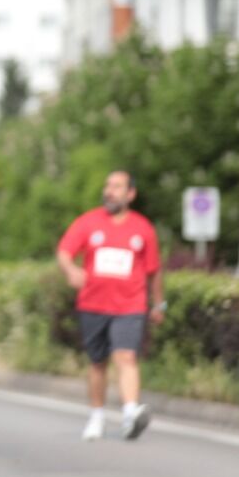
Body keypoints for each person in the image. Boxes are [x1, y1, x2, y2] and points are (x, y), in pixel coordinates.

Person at [57, 170, 164, 441]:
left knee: (126, 357)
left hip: (130, 305)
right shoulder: (88, 222)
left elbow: (153, 270)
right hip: (93, 304)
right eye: (108, 186)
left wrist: (158, 303)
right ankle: (97, 416)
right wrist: (70, 270)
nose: (109, 191)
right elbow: (64, 252)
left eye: (117, 187)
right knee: (98, 363)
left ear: (130, 194)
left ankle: (130, 414)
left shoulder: (142, 228)